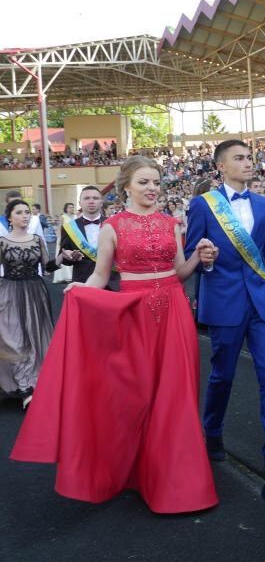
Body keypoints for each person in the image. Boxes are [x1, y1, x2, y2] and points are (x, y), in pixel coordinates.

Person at [12, 156, 219, 514]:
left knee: (175, 393)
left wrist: (201, 258)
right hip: (133, 314)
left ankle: (177, 482)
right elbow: (101, 275)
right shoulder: (113, 226)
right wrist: (82, 290)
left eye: (156, 182)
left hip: (174, 311)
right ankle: (133, 470)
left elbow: (179, 272)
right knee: (135, 395)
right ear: (126, 186)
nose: (152, 188)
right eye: (143, 182)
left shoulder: (172, 224)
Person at [185, 140, 265, 476]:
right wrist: (204, 260)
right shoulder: (202, 205)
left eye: (249, 158)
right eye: (239, 158)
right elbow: (190, 256)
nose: (247, 163)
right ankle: (212, 431)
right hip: (224, 301)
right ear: (221, 167)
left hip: (262, 304)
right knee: (222, 375)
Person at [0, 200, 62, 409]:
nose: (25, 216)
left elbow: (48, 266)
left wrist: (62, 258)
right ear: (10, 217)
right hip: (9, 292)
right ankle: (21, 385)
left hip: (35, 293)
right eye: (19, 213)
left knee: (35, 338)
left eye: (27, 212)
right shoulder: (2, 242)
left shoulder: (36, 240)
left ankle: (31, 385)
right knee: (13, 338)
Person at [56, 186, 119, 289]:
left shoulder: (115, 224)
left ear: (101, 202)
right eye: (86, 198)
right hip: (82, 282)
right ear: (80, 203)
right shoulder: (69, 228)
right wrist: (69, 256)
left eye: (95, 198)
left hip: (112, 283)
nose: (91, 201)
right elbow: (64, 258)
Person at [52, 202, 77, 284]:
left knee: (73, 256)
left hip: (74, 239)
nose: (71, 209)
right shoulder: (63, 217)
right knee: (64, 255)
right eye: (70, 207)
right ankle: (64, 276)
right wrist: (59, 239)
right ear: (66, 208)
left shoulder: (75, 217)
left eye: (72, 207)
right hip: (64, 239)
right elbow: (59, 228)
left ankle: (72, 275)